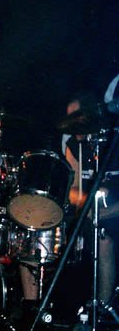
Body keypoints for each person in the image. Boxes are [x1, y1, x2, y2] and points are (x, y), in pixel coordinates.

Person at [62, 80, 119, 308]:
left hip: (114, 212)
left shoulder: (113, 142)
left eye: (77, 117)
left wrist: (104, 212)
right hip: (88, 213)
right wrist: (85, 205)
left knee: (103, 242)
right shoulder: (73, 145)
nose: (72, 124)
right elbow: (72, 188)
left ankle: (102, 309)